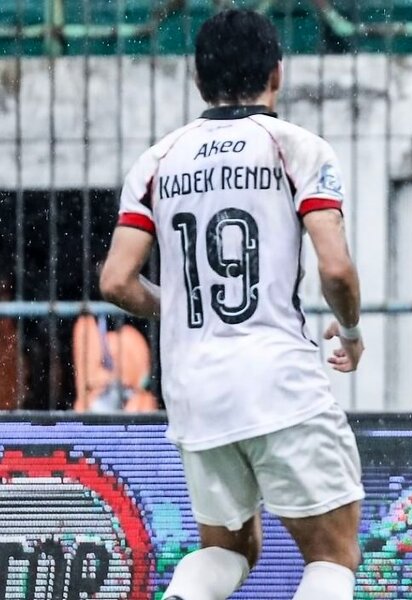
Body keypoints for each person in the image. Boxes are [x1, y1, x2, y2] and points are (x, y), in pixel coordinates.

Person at [100, 9, 365, 600]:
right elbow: (336, 269)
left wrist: (179, 308)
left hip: (195, 390)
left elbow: (116, 280)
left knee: (228, 549)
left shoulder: (159, 158)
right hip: (277, 380)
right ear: (277, 74)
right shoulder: (296, 147)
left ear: (199, 80)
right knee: (332, 554)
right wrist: (350, 331)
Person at [71, 312, 158, 413]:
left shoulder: (130, 333)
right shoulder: (85, 325)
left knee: (145, 403)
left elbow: (142, 374)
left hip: (130, 396)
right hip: (99, 397)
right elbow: (89, 378)